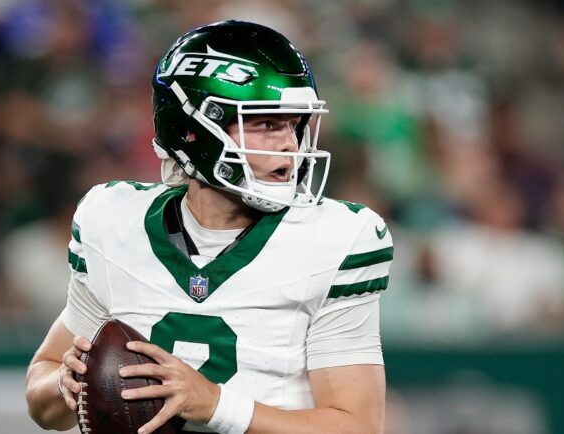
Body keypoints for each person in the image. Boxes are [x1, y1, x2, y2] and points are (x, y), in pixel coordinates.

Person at [26, 20, 392, 434]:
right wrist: (65, 384)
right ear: (195, 130)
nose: (290, 144)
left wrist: (216, 404)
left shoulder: (334, 240)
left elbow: (358, 426)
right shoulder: (112, 223)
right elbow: (44, 394)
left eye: (294, 124)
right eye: (266, 124)